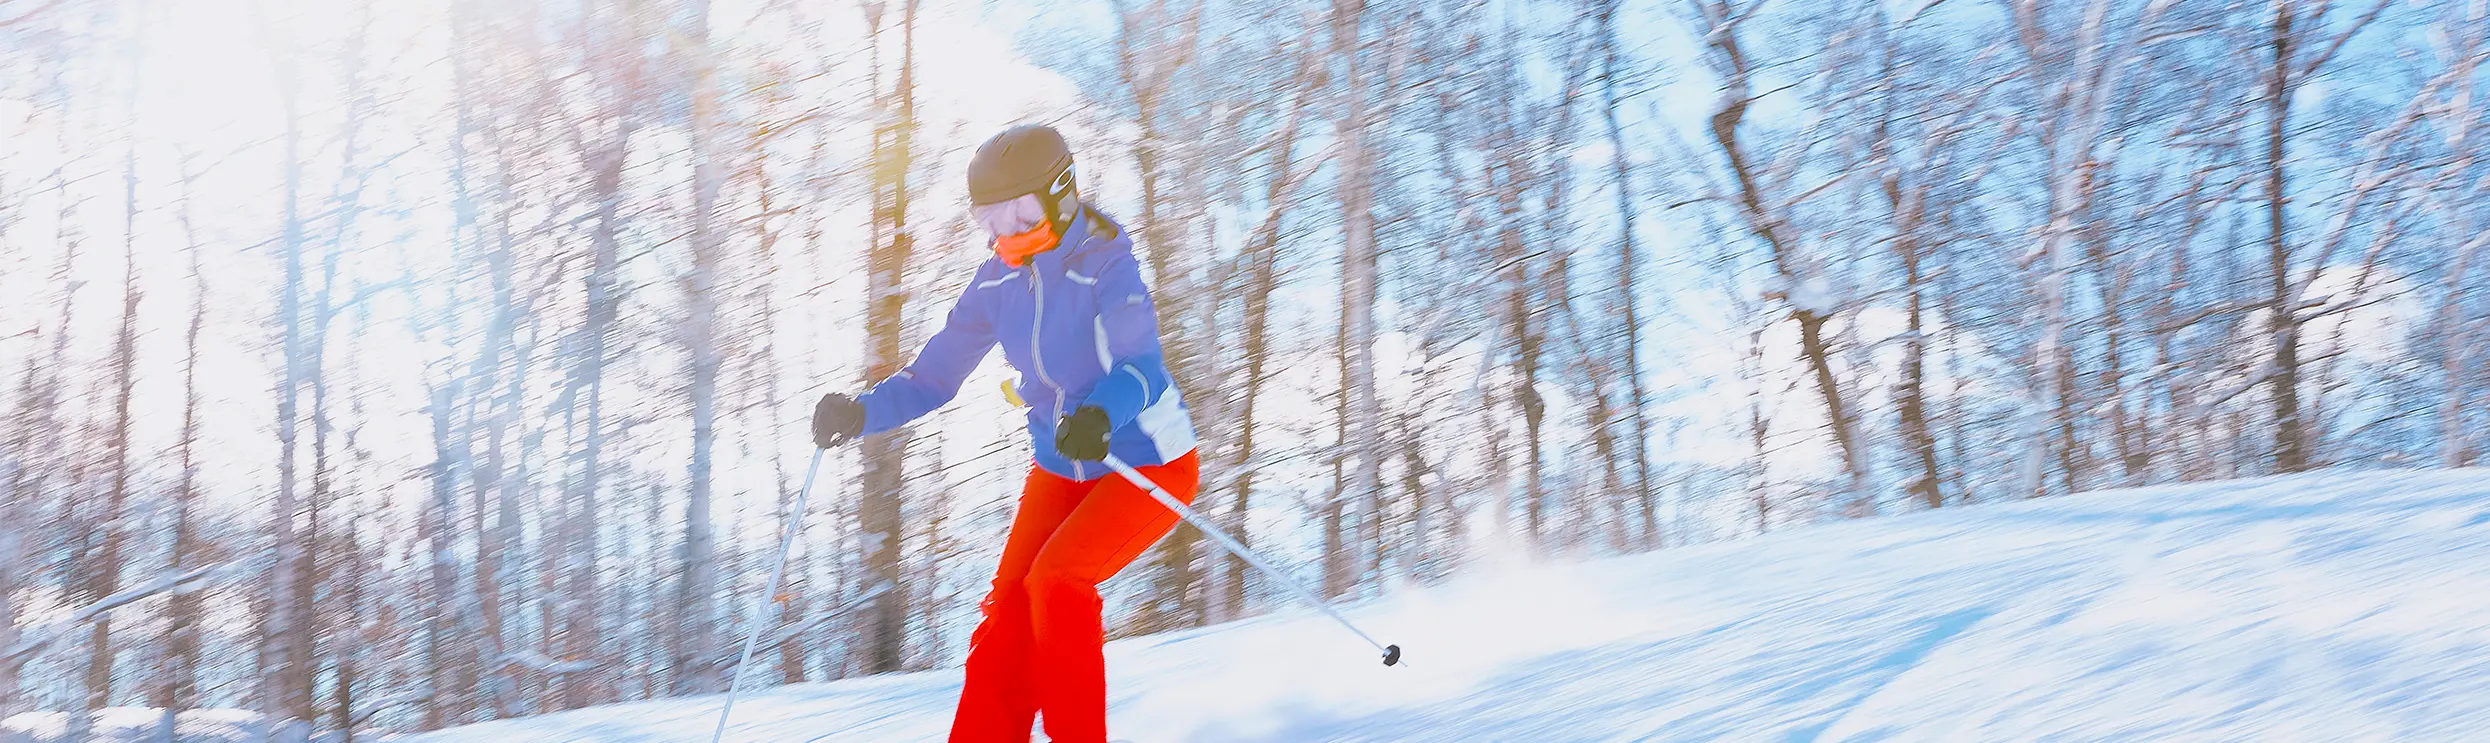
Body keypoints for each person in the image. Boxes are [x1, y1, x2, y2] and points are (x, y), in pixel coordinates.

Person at [810, 123, 1199, 743]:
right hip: (1061, 468)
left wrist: (1102, 414)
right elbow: (934, 376)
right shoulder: (995, 283)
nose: (1007, 232)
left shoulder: (1106, 264)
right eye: (992, 217)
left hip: (1147, 462)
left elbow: (1141, 367)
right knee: (1010, 610)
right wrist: (862, 414)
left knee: (1059, 581)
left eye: (1021, 212)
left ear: (1061, 194)